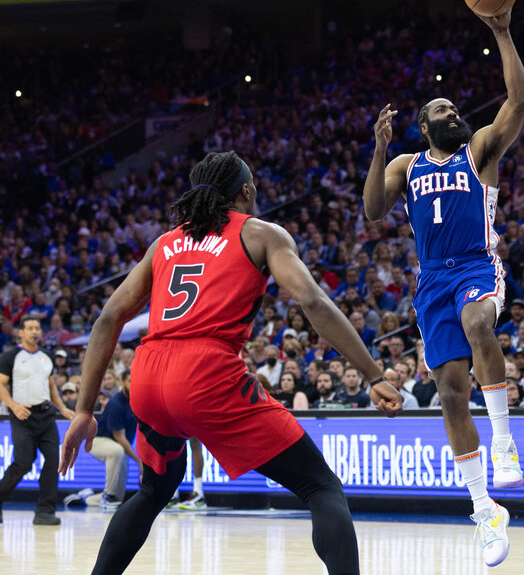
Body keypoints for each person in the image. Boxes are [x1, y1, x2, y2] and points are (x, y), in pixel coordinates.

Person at [59, 152, 402, 575]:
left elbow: (109, 318)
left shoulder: (164, 243)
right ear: (245, 190)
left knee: (153, 489)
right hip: (205, 372)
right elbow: (313, 301)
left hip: (146, 375)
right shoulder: (261, 234)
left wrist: (84, 410)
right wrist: (372, 373)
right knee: (320, 485)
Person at [363, 8, 524, 567]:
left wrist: (502, 31)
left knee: (479, 323)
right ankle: (485, 511)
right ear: (423, 126)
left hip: (477, 264)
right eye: (441, 111)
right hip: (432, 279)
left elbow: (519, 102)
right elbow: (373, 213)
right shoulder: (407, 164)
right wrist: (380, 149)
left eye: (455, 108)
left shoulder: (478, 150)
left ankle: (504, 439)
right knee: (452, 396)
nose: (453, 113)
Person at [0, 316, 75, 525]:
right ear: (21, 332)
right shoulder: (11, 356)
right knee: (23, 463)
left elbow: (51, 387)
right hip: (22, 416)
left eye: (37, 328)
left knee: (53, 461)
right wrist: (14, 405)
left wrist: (62, 408)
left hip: (46, 416)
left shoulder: (46, 356)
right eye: (30, 328)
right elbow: (1, 385)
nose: (34, 331)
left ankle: (45, 512)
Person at [81, 371, 141, 511]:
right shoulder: (116, 403)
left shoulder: (138, 402)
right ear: (122, 383)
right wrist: (139, 462)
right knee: (117, 451)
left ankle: (88, 497)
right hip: (98, 441)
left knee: (118, 499)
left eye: (136, 381)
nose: (133, 385)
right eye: (130, 381)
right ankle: (108, 495)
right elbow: (119, 437)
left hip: (119, 446)